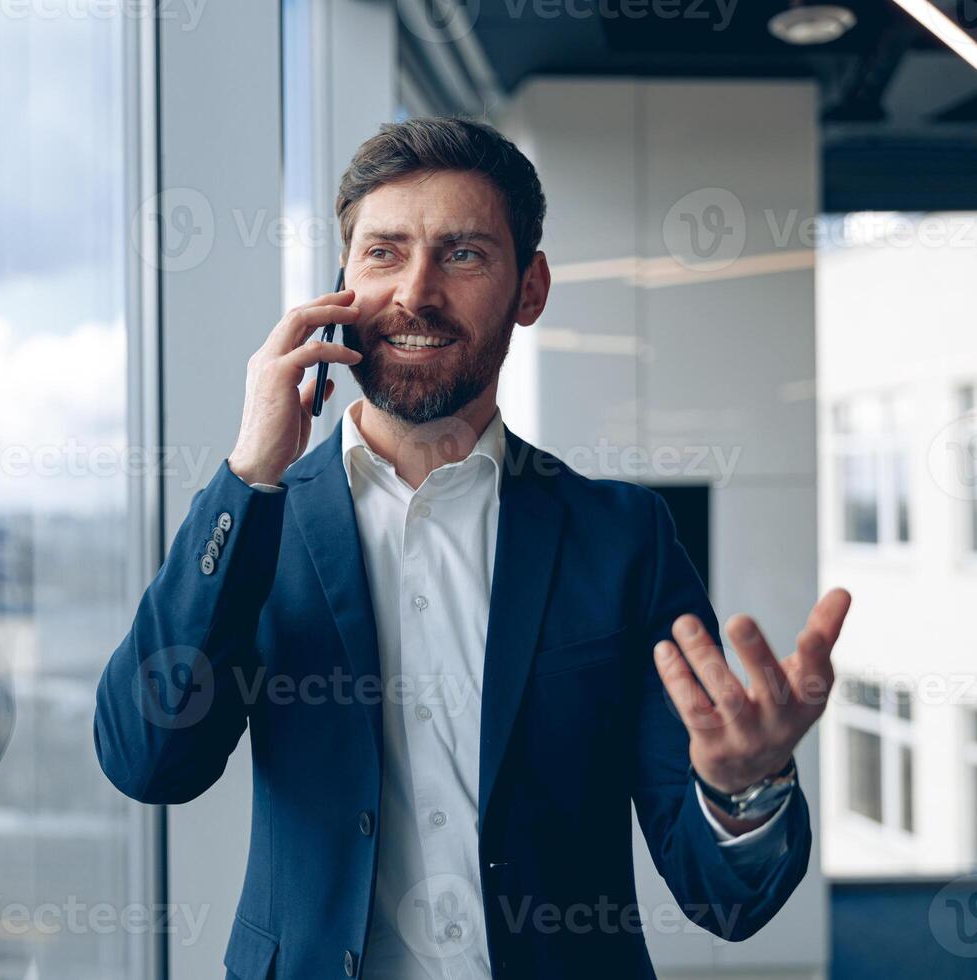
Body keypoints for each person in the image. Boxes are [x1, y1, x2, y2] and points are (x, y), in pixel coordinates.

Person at [94, 115, 850, 979]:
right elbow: (149, 761)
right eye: (383, 254)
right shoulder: (258, 524)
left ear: (530, 290)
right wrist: (247, 473)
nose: (415, 292)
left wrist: (742, 790)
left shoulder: (620, 538)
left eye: (463, 254)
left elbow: (727, 899)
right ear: (341, 284)